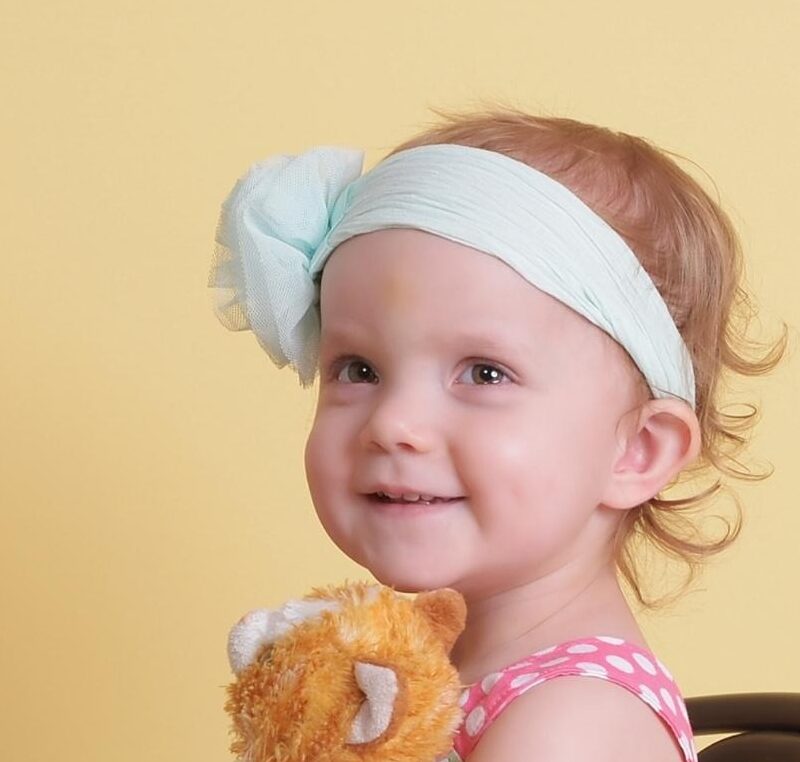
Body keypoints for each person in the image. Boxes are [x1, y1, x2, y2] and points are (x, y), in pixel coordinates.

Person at [207, 105, 787, 761]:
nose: (393, 422)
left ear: (637, 451)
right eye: (359, 369)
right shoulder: (412, 683)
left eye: (484, 373)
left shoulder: (572, 727)